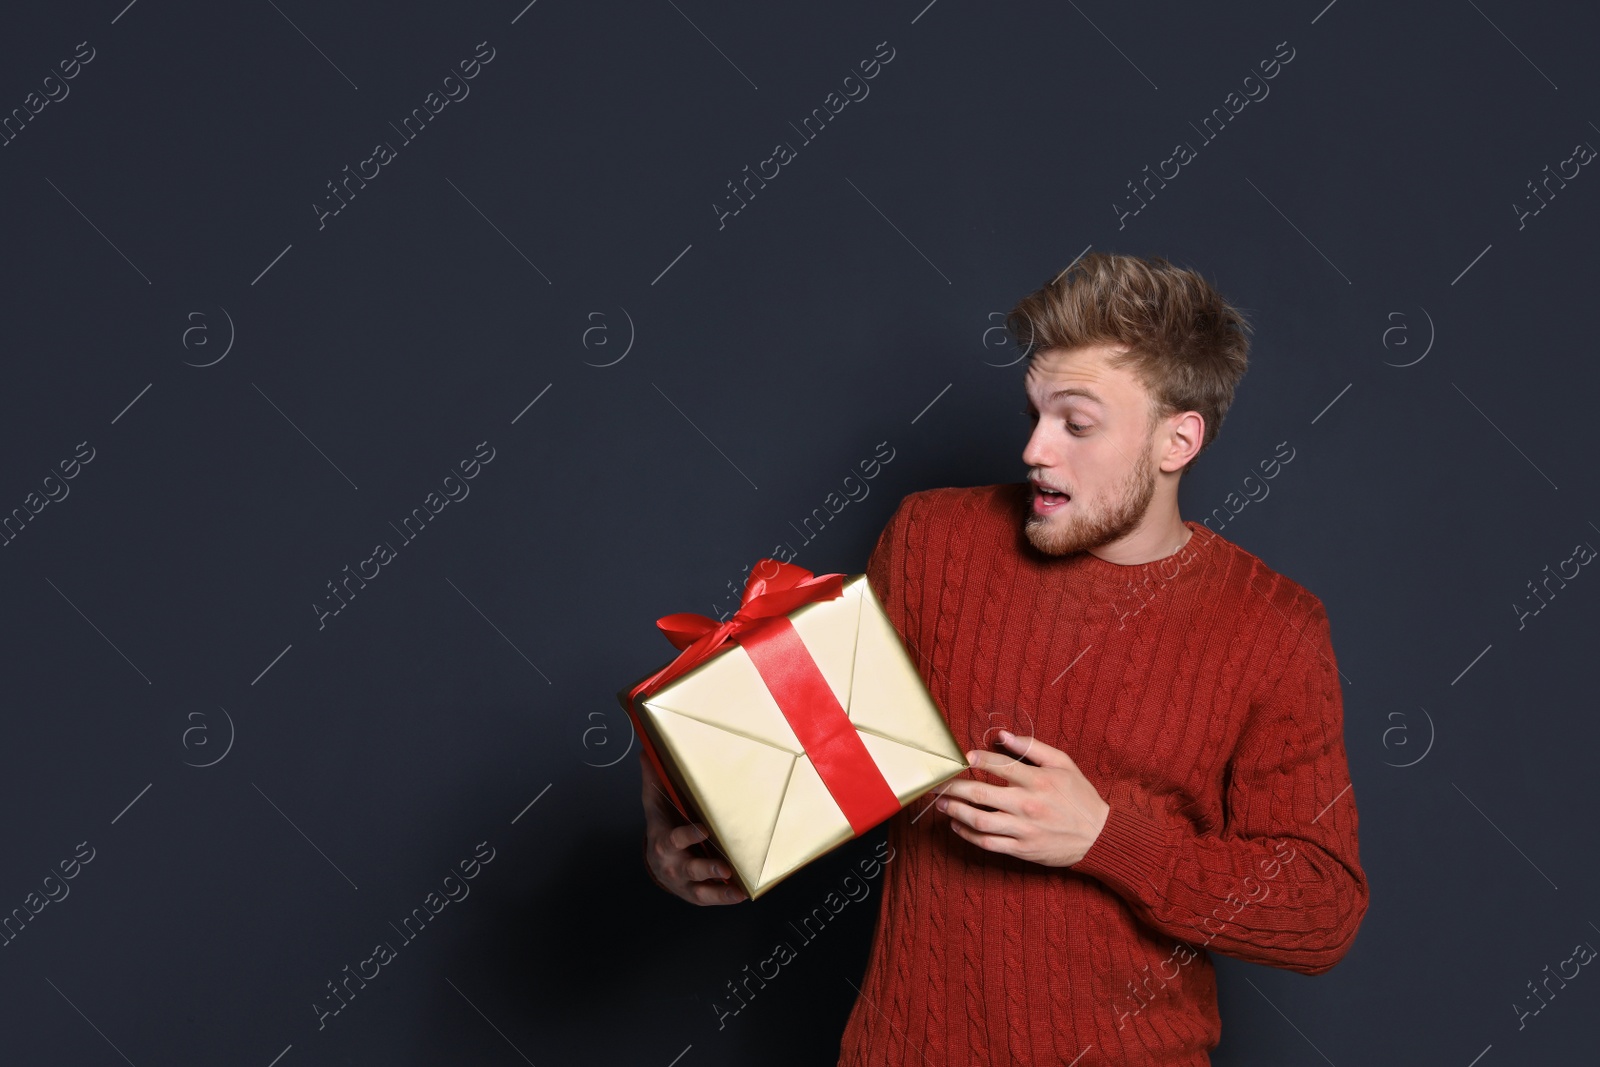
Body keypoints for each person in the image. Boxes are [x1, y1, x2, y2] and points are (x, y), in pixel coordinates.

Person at [640, 251, 1369, 1065]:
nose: (1034, 449)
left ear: (1178, 440)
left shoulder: (1276, 627)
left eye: (1076, 423)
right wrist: (685, 832)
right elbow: (815, 760)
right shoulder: (931, 542)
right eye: (1034, 414)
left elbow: (1322, 910)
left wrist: (1105, 837)